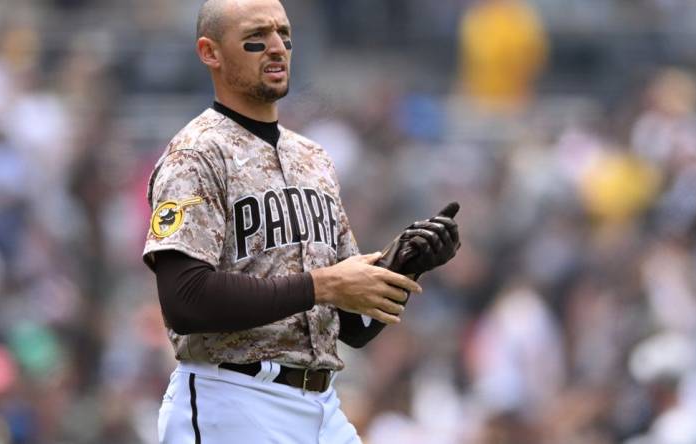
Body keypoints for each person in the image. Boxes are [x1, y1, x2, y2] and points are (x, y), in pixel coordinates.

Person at [141, 0, 459, 442]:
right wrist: (322, 285)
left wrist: (405, 264)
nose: (276, 47)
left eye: (284, 34)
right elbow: (184, 300)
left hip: (322, 404)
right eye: (257, 37)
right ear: (210, 52)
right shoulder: (195, 156)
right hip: (232, 398)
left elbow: (352, 325)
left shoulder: (313, 158)